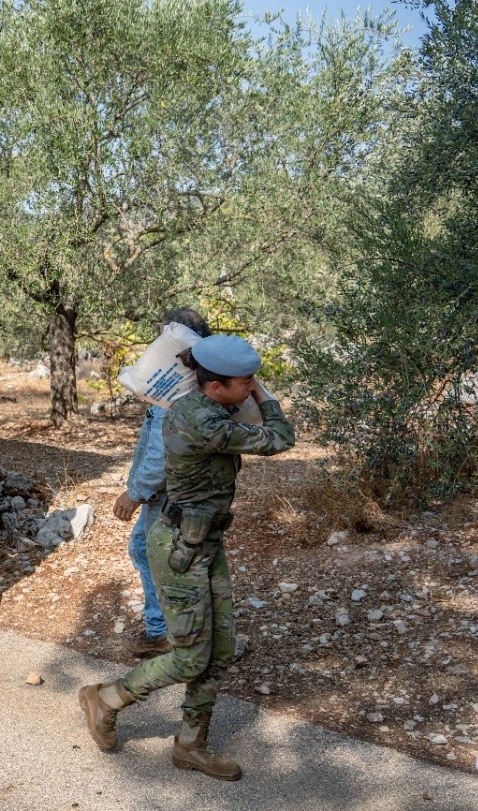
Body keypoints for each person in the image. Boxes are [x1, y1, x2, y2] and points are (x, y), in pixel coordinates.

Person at [79, 334, 294, 781]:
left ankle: (191, 745)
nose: (253, 386)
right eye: (245, 381)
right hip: (180, 550)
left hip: (206, 543)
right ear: (215, 387)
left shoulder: (212, 407)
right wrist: (265, 397)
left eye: (254, 380)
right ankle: (108, 698)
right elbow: (281, 438)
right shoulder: (203, 421)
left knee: (219, 650)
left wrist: (248, 388)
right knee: (189, 657)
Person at [112, 308, 212, 658]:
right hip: (191, 492)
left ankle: (162, 631)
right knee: (181, 557)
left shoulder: (170, 399)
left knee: (148, 550)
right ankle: (186, 627)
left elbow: (158, 455)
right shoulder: (199, 389)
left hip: (165, 495)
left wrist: (134, 493)